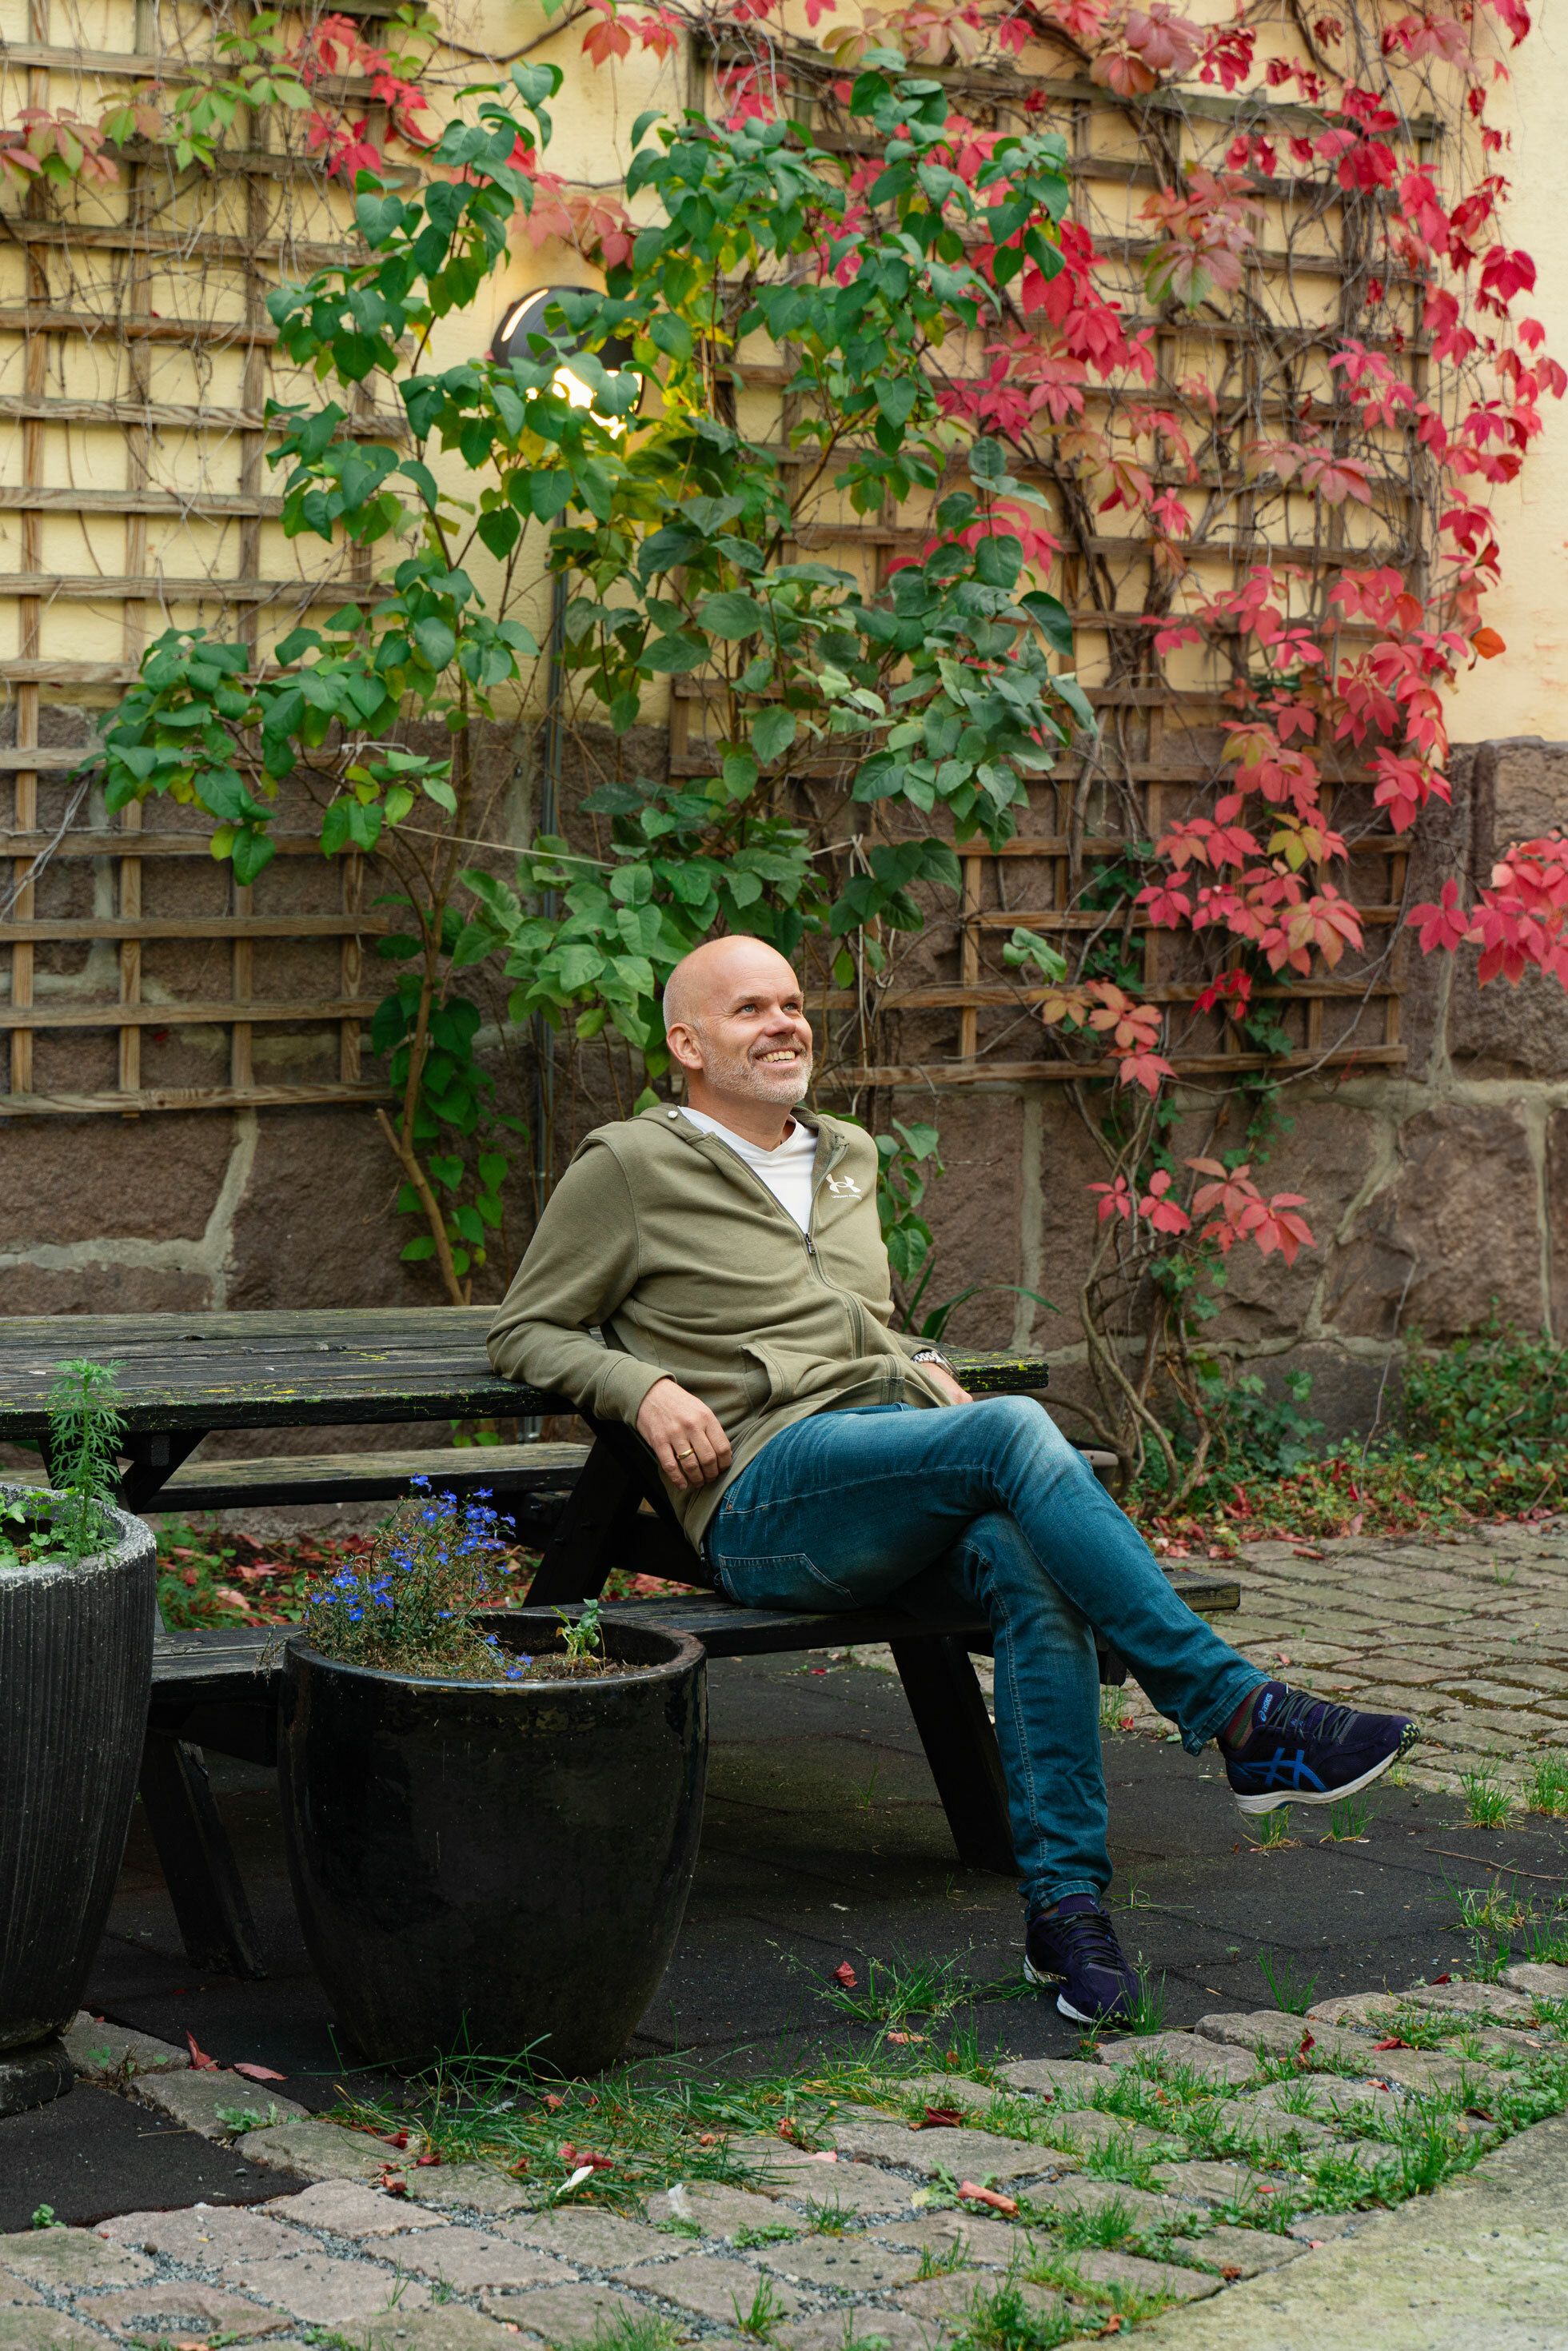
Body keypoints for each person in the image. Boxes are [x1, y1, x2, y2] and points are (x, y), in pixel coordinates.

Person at [488, 934, 1418, 2026]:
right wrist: (640, 1386)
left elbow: (853, 1319)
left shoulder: (844, 1156)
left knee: (1034, 1568)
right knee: (1015, 1428)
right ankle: (1238, 1714)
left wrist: (910, 1362)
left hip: (886, 1463)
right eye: (750, 1009)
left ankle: (1066, 1915)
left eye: (792, 1002)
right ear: (685, 1044)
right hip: (764, 1500)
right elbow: (525, 1331)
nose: (784, 1023)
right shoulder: (629, 1166)